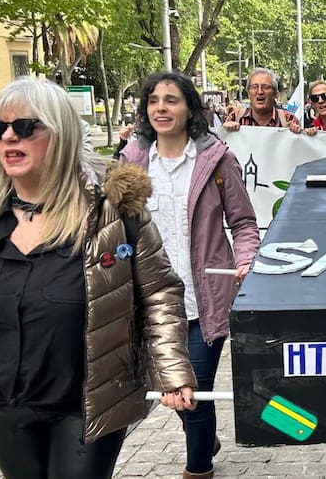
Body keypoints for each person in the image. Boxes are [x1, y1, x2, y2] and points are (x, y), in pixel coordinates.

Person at [0, 77, 196, 479]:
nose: (9, 137)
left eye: (26, 127)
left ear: (61, 132)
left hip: (87, 400)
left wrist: (171, 369)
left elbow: (159, 292)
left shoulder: (112, 210)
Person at [118, 71, 261, 479]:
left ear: (189, 108)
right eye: (154, 101)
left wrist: (245, 260)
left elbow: (244, 223)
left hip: (204, 300)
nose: (161, 108)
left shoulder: (216, 160)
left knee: (192, 392)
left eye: (171, 100)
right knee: (175, 392)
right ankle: (204, 434)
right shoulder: (131, 163)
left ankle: (198, 469)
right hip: (148, 302)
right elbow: (114, 226)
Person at [223, 68, 302, 133]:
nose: (260, 91)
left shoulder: (288, 119)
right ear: (248, 93)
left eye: (266, 87)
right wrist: (225, 132)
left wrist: (296, 134)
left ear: (275, 93)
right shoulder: (235, 117)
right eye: (254, 87)